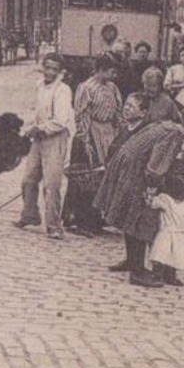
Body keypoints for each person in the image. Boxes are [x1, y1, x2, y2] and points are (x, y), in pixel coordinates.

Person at [94, 94, 184, 288]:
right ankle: (137, 272)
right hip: (133, 170)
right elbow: (155, 166)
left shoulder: (164, 125)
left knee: (131, 215)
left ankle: (137, 263)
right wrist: (153, 188)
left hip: (127, 166)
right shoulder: (175, 133)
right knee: (138, 218)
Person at [14, 55, 75, 240]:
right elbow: (38, 112)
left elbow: (61, 121)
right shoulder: (39, 85)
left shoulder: (63, 91)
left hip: (56, 138)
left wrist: (39, 128)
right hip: (39, 138)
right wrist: (30, 128)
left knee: (52, 184)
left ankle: (54, 225)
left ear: (60, 72)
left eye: (54, 69)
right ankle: (30, 215)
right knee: (28, 179)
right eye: (47, 67)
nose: (50, 72)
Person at [64, 54, 121, 235]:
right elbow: (81, 115)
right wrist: (85, 140)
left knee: (103, 177)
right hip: (91, 135)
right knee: (86, 179)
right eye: (112, 71)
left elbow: (117, 111)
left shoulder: (112, 87)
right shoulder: (86, 87)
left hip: (108, 134)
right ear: (101, 70)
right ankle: (79, 219)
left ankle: (97, 217)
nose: (114, 74)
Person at [148, 173, 184, 287]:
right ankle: (159, 275)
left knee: (171, 256)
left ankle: (168, 276)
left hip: (176, 234)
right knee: (163, 255)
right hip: (169, 233)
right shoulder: (167, 199)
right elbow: (153, 203)